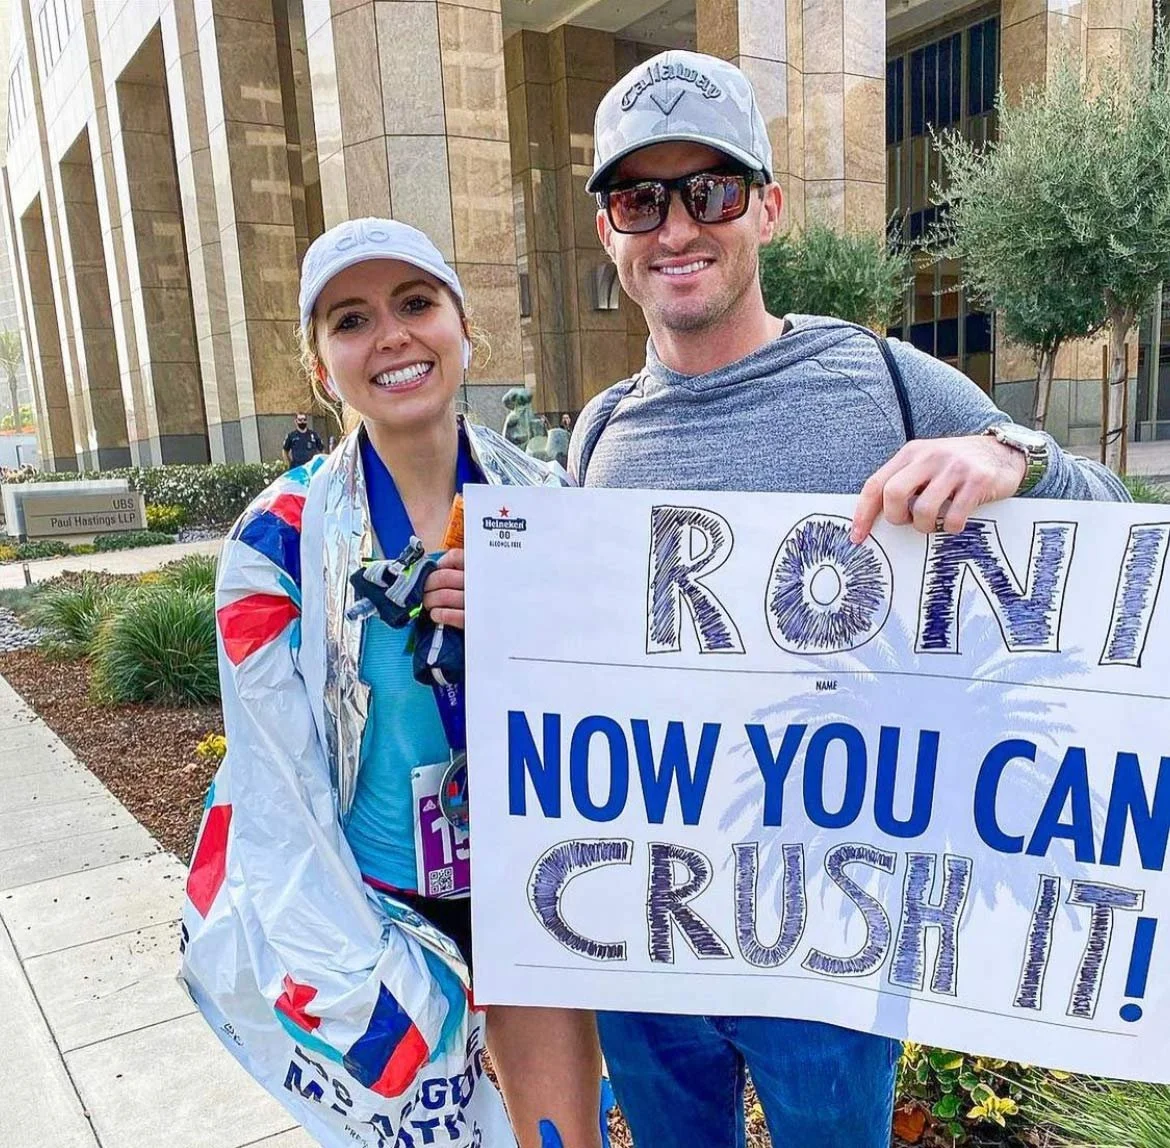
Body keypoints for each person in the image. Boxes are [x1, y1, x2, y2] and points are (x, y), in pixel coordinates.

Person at [566, 49, 1129, 1148]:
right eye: (640, 200)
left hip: (832, 942)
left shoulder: (885, 379)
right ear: (609, 234)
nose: (677, 227)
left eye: (710, 191)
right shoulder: (598, 433)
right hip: (647, 937)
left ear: (767, 209)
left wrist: (1015, 457)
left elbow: (1112, 526)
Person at [181, 218, 602, 1148]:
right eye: (351, 319)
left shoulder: (552, 504)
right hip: (378, 899)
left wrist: (527, 621)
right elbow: (276, 782)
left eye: (416, 303)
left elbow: (611, 698)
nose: (392, 336)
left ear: (463, 328)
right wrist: (349, 958)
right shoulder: (275, 543)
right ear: (322, 368)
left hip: (532, 888)